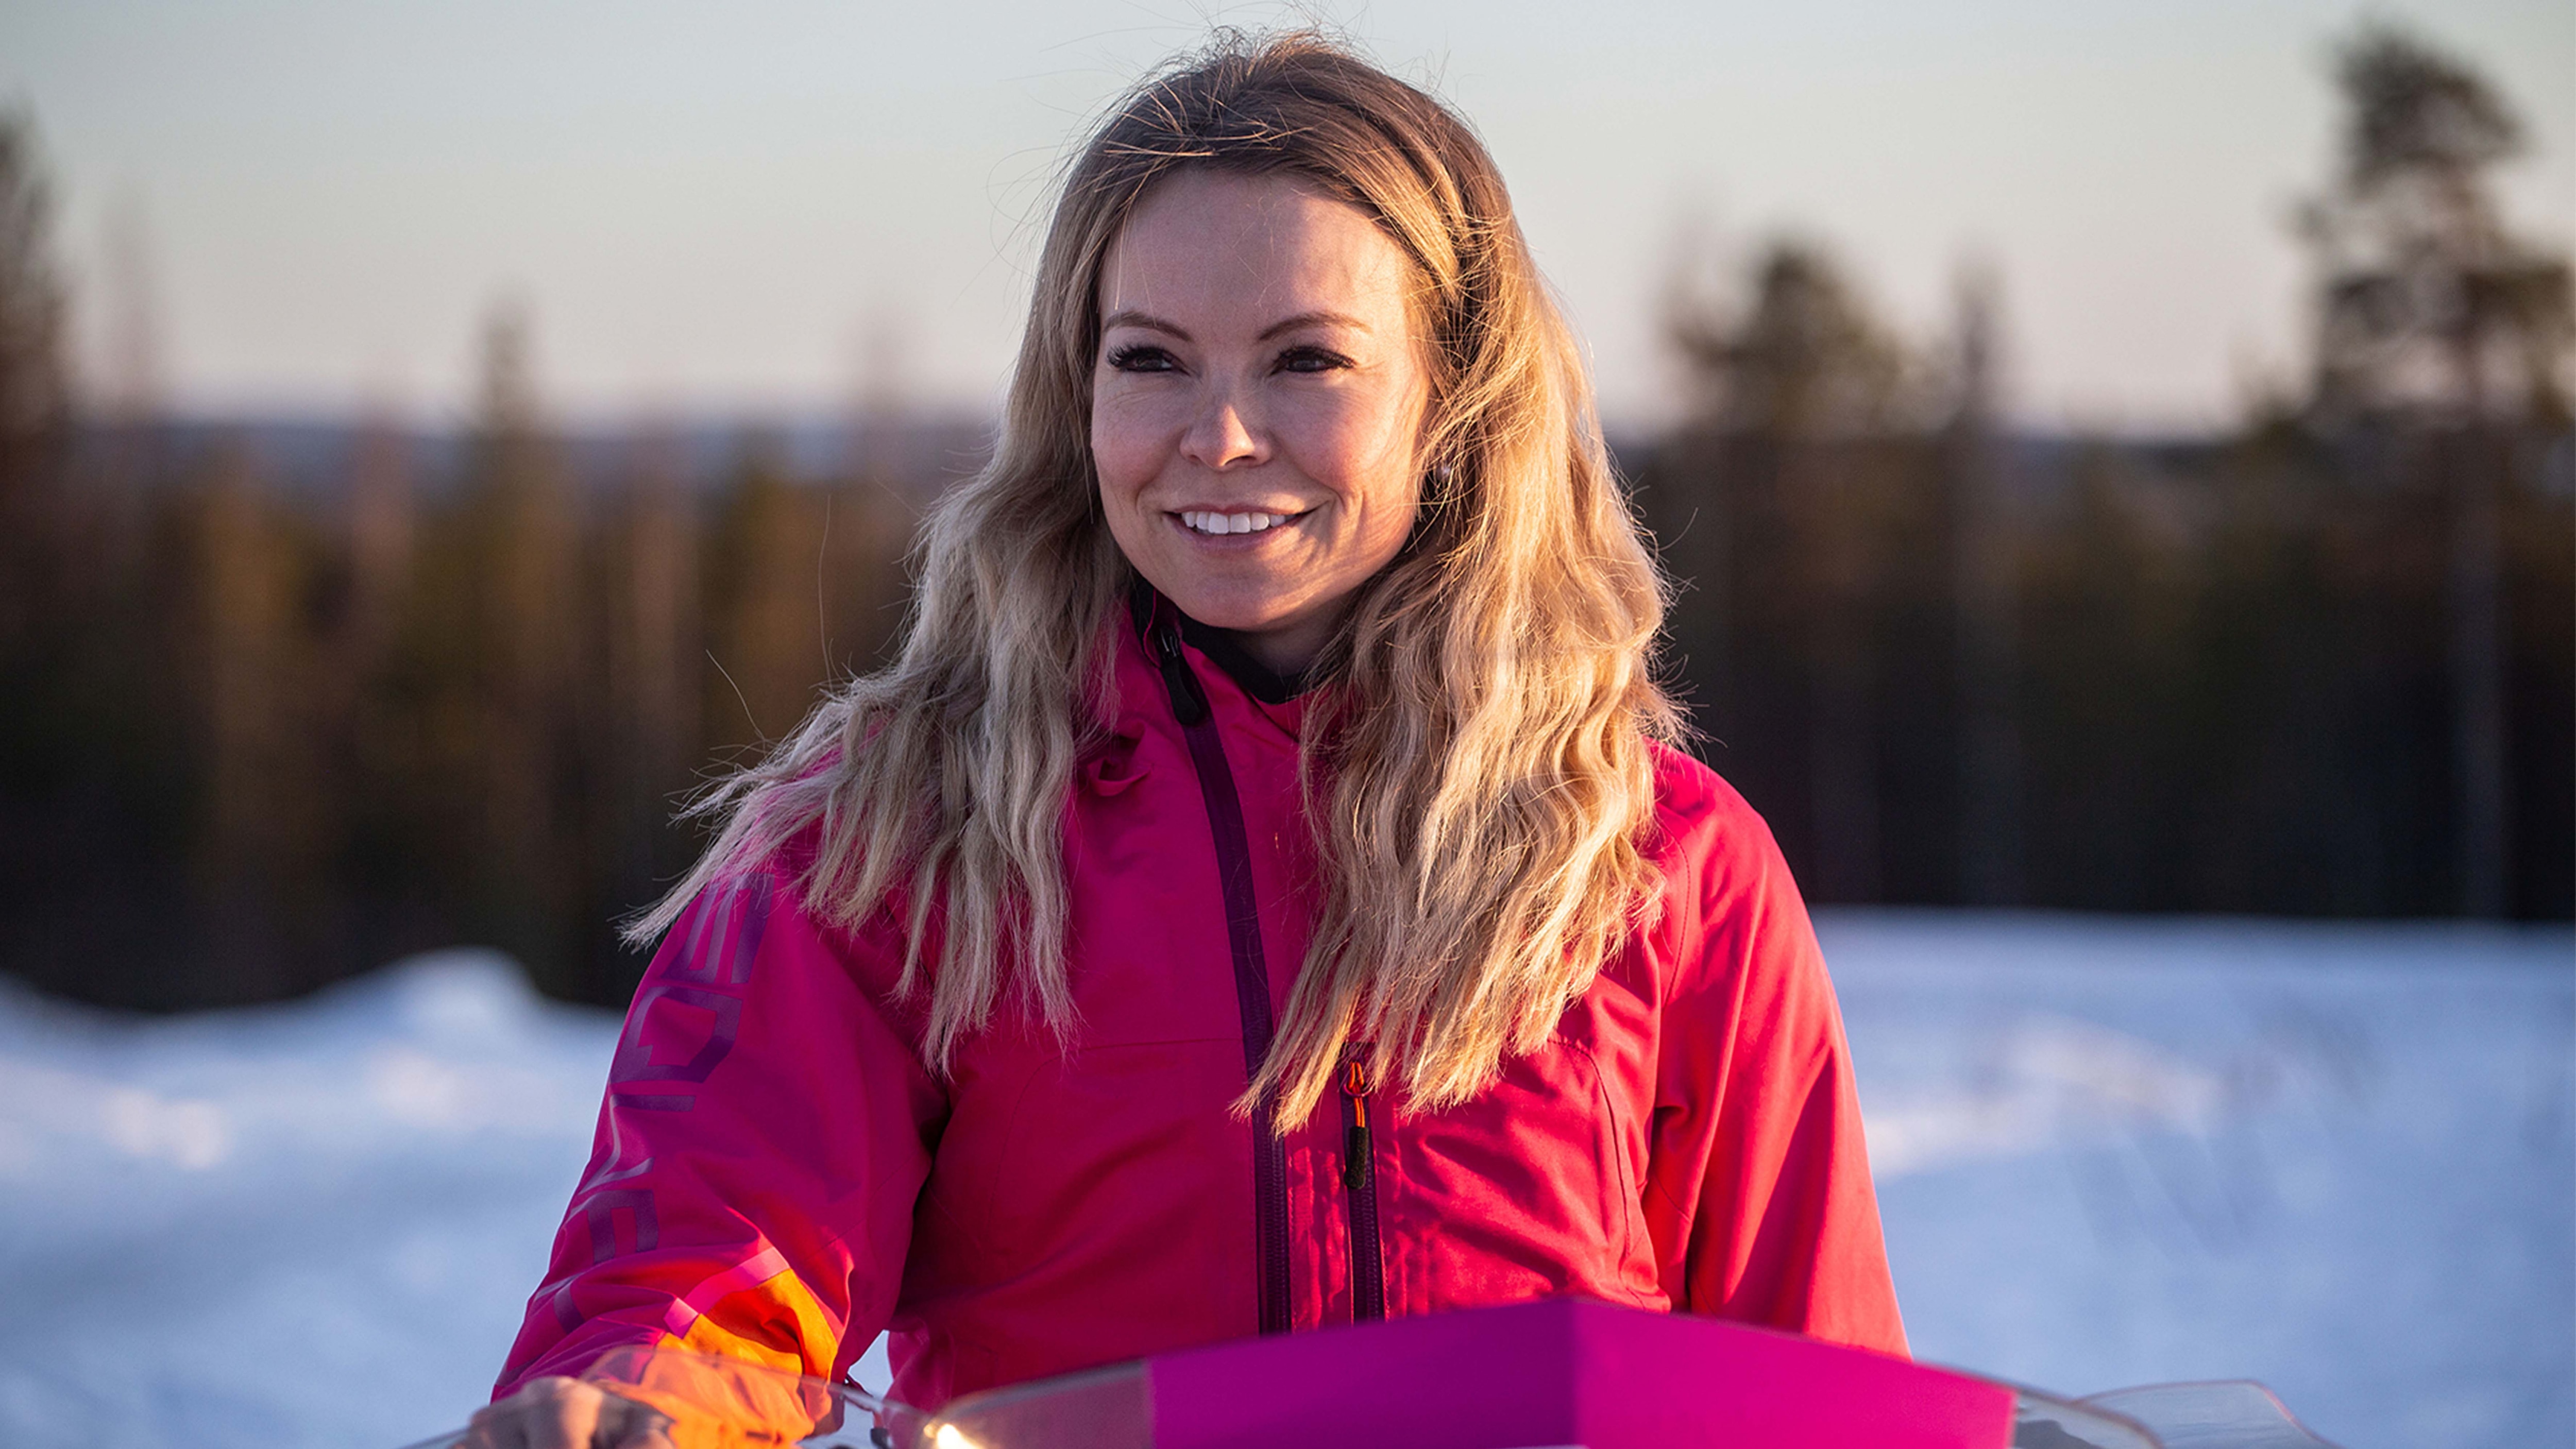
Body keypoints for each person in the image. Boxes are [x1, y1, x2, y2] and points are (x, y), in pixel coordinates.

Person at [477, 29, 1903, 1444]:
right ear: (1075, 391)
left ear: (1452, 403)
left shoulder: (1658, 864)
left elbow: (1813, 1394)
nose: (1219, 436)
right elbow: (711, 1255)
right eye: (1152, 359)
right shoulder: (904, 833)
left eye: (1306, 363)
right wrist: (634, 1407)